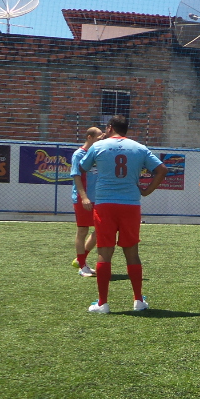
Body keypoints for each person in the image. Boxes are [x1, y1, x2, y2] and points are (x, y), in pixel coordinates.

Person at [75, 115, 167, 314]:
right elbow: (162, 169)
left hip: (105, 205)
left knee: (104, 253)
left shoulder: (98, 147)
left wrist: (84, 194)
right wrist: (147, 190)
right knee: (132, 253)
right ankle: (138, 301)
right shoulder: (139, 147)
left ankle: (103, 303)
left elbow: (81, 168)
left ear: (109, 128)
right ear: (126, 129)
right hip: (131, 205)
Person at [69, 126, 104, 277]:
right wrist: (84, 197)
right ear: (89, 137)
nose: (101, 140)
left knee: (100, 230)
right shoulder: (79, 154)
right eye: (98, 138)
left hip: (98, 198)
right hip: (83, 198)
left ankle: (80, 260)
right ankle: (82, 266)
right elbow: (76, 176)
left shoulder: (96, 154)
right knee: (82, 231)